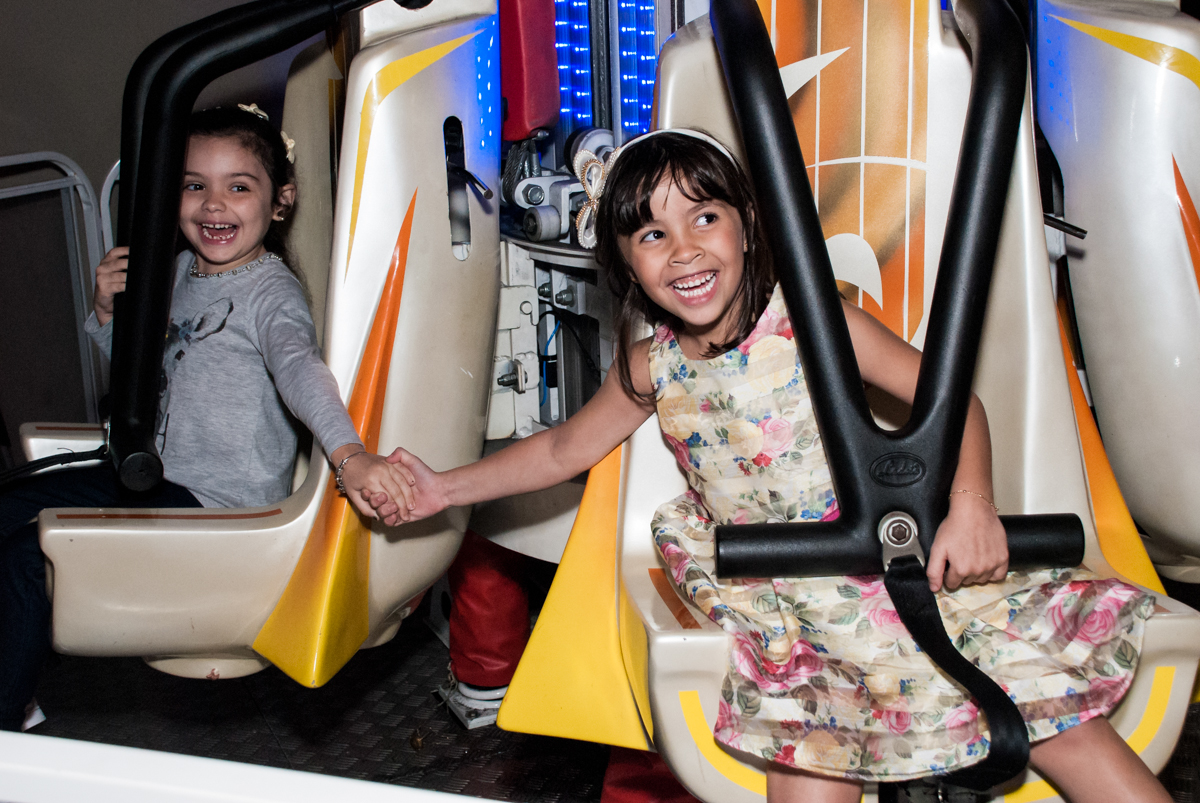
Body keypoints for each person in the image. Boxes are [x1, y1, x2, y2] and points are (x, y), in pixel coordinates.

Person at [383, 130, 1168, 802]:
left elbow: (955, 403)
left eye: (704, 216)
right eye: (652, 234)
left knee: (1050, 705)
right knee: (811, 743)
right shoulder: (653, 365)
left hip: (888, 558)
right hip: (785, 594)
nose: (685, 248)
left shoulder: (815, 322)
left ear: (749, 226)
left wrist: (972, 505)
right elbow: (561, 449)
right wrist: (443, 487)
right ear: (623, 260)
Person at [0, 104, 416, 732]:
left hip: (213, 503)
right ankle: (18, 688)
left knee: (24, 558)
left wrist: (349, 455)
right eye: (194, 185)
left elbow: (302, 370)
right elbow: (156, 375)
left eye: (238, 186)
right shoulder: (177, 271)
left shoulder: (270, 293)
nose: (213, 204)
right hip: (157, 476)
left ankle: (7, 717)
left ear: (280, 201)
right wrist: (112, 317)